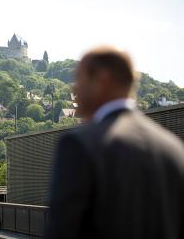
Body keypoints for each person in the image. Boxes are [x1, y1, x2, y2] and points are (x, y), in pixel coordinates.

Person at [45, 46, 184, 239]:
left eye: (79, 79)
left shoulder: (80, 145)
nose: (74, 88)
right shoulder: (174, 148)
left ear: (102, 81)